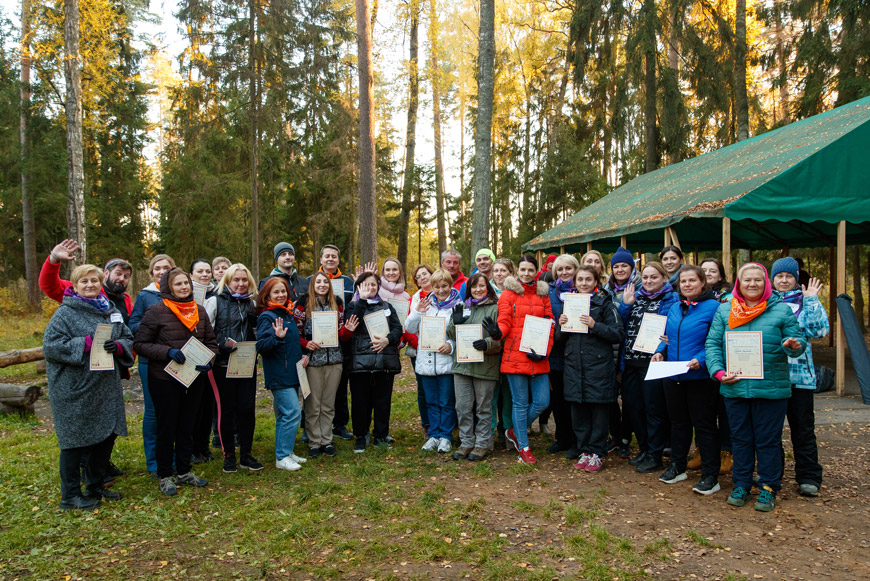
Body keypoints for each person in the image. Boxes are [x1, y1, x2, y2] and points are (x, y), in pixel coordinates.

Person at [706, 262, 807, 512]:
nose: (752, 284)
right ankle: (741, 484)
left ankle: (769, 487)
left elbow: (798, 341)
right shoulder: (724, 310)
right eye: (747, 280)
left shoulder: (781, 310)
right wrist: (718, 372)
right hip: (735, 387)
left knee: (768, 440)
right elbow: (713, 344)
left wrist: (794, 345)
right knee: (740, 439)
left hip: (771, 388)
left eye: (758, 280)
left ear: (766, 283)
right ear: (739, 283)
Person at [43, 264, 134, 510]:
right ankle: (70, 495)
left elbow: (126, 336)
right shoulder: (65, 313)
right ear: (74, 285)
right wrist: (84, 343)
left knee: (106, 435)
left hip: (105, 386)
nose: (90, 285)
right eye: (83, 281)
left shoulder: (109, 309)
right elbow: (51, 346)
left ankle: (95, 485)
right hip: (75, 388)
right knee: (75, 440)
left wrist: (119, 347)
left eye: (93, 280)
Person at [133, 267, 217, 496]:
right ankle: (165, 474)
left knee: (187, 425)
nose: (183, 288)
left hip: (194, 378)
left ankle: (184, 470)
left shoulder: (198, 311)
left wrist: (208, 360)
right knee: (167, 426)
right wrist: (167, 351)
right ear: (168, 287)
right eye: (178, 284)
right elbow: (140, 344)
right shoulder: (156, 311)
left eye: (186, 284)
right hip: (164, 379)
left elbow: (211, 341)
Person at [651, 265, 722, 494]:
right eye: (683, 281)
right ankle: (677, 467)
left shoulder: (714, 308)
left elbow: (716, 340)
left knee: (704, 426)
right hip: (673, 374)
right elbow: (668, 336)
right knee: (679, 423)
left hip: (700, 376)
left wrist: (700, 359)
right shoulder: (675, 307)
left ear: (703, 283)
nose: (688, 285)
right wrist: (661, 350)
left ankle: (711, 475)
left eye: (692, 280)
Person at [770, 257, 828, 497]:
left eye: (789, 276)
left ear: (796, 279)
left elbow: (820, 330)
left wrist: (813, 299)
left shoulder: (806, 302)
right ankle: (773, 475)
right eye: (779, 276)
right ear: (772, 279)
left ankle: (809, 476)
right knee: (771, 432)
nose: (784, 280)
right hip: (772, 377)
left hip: (800, 378)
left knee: (802, 429)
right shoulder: (766, 303)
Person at [558, 265, 623, 472]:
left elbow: (618, 333)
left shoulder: (605, 304)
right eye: (580, 280)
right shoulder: (568, 304)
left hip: (598, 369)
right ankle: (584, 449)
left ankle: (597, 453)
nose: (584, 283)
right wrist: (562, 326)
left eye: (588, 280)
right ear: (574, 282)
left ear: (596, 282)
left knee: (599, 414)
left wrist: (595, 325)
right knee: (579, 414)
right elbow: (559, 340)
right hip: (574, 368)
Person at [618, 261, 678, 474]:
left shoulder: (672, 300)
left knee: (654, 408)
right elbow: (621, 325)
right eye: (645, 277)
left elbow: (672, 329)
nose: (649, 281)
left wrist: (663, 345)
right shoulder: (636, 297)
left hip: (653, 361)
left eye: (654, 277)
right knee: (634, 407)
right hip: (631, 360)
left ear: (663, 278)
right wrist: (625, 304)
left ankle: (655, 453)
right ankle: (644, 448)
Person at [494, 254, 554, 465]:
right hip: (515, 356)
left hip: (538, 356)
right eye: (523, 270)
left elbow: (550, 325)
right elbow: (504, 323)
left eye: (530, 270)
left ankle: (513, 430)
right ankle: (524, 448)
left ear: (536, 272)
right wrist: (496, 333)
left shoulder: (543, 295)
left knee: (542, 401)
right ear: (516, 272)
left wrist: (544, 350)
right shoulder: (507, 295)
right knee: (520, 404)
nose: (527, 274)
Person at [210, 264, 263, 473]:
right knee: (227, 411)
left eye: (244, 280)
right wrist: (219, 348)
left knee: (247, 409)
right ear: (228, 281)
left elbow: (259, 331)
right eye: (236, 280)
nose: (240, 284)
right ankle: (229, 455)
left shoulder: (252, 304)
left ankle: (246, 454)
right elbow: (205, 331)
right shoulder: (215, 301)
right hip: (223, 365)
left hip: (246, 365)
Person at [293, 272, 352, 457]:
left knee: (328, 403)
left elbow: (340, 335)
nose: (322, 285)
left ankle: (326, 440)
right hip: (312, 361)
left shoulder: (338, 303)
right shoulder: (303, 304)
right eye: (318, 281)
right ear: (312, 284)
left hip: (334, 360)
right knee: (313, 404)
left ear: (330, 284)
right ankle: (314, 442)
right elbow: (295, 332)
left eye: (325, 282)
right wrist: (305, 344)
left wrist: (347, 332)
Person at [445, 272, 503, 461]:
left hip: (485, 367)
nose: (478, 290)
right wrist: (456, 323)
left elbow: (500, 339)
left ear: (488, 288)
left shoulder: (495, 308)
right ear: (468, 289)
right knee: (462, 407)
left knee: (483, 408)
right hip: (462, 366)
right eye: (474, 286)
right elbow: (451, 335)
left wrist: (488, 343)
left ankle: (482, 444)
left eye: (481, 286)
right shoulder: (462, 307)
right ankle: (466, 442)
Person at [128, 253, 176, 477]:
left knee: (173, 411)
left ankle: (172, 457)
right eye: (157, 268)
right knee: (153, 412)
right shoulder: (146, 296)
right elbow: (134, 324)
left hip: (177, 361)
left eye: (166, 267)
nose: (162, 271)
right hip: (152, 360)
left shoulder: (181, 294)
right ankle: (154, 461)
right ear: (151, 272)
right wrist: (157, 333)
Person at [345, 271, 403, 453]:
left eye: (373, 284)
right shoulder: (352, 306)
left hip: (383, 362)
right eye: (365, 285)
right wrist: (361, 301)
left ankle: (380, 435)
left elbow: (397, 328)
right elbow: (352, 324)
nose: (370, 288)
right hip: (360, 363)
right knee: (360, 402)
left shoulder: (387, 306)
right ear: (359, 287)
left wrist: (388, 339)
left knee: (382, 401)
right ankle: (361, 436)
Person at [407, 269, 461, 454]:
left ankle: (445, 436)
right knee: (431, 401)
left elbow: (461, 332)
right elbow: (409, 327)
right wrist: (417, 312)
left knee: (446, 401)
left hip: (446, 362)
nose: (440, 290)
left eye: (444, 286)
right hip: (426, 362)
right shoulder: (425, 304)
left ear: (450, 285)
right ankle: (434, 435)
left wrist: (451, 345)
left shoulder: (458, 305)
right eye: (437, 286)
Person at [256, 277, 308, 471]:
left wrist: (302, 355)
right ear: (267, 295)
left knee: (283, 415)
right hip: (279, 374)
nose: (281, 295)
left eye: (283, 291)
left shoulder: (287, 314)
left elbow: (293, 342)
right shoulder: (267, 317)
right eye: (276, 292)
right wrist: (276, 338)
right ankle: (282, 456)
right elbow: (262, 346)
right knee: (293, 412)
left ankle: (286, 451)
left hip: (292, 372)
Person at [311, 244, 356, 441]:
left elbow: (353, 305)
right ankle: (311, 428)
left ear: (338, 260)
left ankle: (339, 424)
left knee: (339, 385)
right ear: (321, 260)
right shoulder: (311, 281)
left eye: (334, 257)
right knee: (314, 390)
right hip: (316, 344)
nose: (330, 259)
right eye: (327, 256)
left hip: (341, 340)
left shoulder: (347, 282)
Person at [39, 240, 134, 324]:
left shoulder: (127, 301)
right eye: (118, 274)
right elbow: (50, 286)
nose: (122, 279)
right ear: (106, 273)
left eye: (126, 276)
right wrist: (54, 259)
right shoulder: (86, 291)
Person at [603, 246, 640, 459]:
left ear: (632, 267)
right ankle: (616, 435)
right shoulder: (605, 291)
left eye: (624, 265)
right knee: (609, 398)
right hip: (610, 351)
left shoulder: (640, 288)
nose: (620, 269)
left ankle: (626, 438)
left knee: (629, 400)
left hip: (631, 352)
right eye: (616, 266)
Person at [547, 254, 581, 455]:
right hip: (556, 351)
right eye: (560, 269)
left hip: (577, 352)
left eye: (568, 268)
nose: (565, 272)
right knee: (558, 398)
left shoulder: (583, 291)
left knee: (574, 399)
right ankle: (562, 437)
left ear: (576, 269)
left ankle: (577, 439)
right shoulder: (550, 292)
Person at [409, 265, 434, 436]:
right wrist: (420, 345)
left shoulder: (443, 294)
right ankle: (427, 424)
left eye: (425, 274)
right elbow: (409, 327)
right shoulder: (414, 299)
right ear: (416, 282)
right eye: (419, 277)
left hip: (441, 349)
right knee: (423, 389)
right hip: (420, 349)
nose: (423, 277)